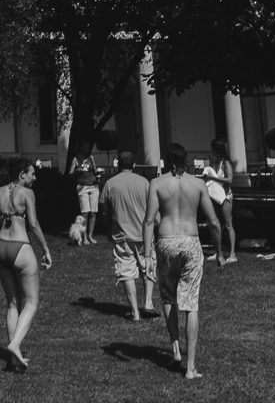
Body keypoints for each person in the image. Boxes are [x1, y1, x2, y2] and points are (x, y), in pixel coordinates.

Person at [145, 143, 221, 381]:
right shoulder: (197, 184)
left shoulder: (156, 184)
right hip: (190, 242)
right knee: (191, 303)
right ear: (186, 160)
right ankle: (190, 368)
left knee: (168, 297)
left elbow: (149, 221)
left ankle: (176, 348)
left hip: (166, 241)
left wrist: (147, 255)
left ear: (167, 161)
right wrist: (220, 252)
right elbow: (214, 222)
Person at [0, 158, 52, 371]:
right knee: (31, 303)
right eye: (32, 173)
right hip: (20, 248)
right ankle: (14, 345)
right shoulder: (27, 193)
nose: (35, 177)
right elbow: (32, 224)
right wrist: (46, 250)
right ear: (22, 174)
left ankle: (13, 358)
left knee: (13, 303)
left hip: (1, 249)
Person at [102, 150, 157, 320]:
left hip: (121, 235)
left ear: (118, 164)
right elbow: (152, 207)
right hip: (144, 234)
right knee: (148, 266)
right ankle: (148, 302)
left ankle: (135, 312)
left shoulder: (110, 183)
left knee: (127, 272)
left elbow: (104, 211)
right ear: (133, 165)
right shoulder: (145, 183)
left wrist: (108, 229)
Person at [201, 138, 239, 264]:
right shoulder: (216, 162)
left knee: (228, 225)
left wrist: (212, 177)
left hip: (226, 196)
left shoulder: (226, 163)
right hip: (216, 196)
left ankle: (232, 253)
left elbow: (229, 180)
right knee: (217, 224)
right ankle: (219, 252)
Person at [69, 141, 101, 244]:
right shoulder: (76, 159)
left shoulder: (91, 158)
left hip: (93, 186)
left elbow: (95, 170)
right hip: (82, 187)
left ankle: (90, 235)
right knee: (85, 213)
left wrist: (98, 172)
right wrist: (77, 171)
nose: (88, 150)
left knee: (93, 212)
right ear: (81, 149)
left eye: (88, 148)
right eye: (86, 148)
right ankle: (84, 237)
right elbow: (70, 174)